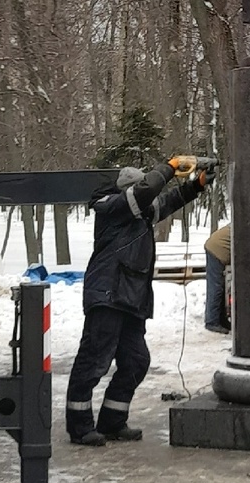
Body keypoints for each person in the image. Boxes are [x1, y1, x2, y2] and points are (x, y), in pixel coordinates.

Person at [64, 156, 209, 445]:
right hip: (108, 293)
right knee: (94, 360)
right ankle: (79, 427)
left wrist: (197, 186)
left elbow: (168, 201)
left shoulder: (140, 212)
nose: (149, 199)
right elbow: (146, 193)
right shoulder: (113, 208)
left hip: (131, 299)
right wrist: (170, 166)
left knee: (136, 361)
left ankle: (112, 422)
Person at [203, 218, 231, 334]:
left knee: (221, 287)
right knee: (216, 287)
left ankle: (221, 320)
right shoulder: (246, 227)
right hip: (216, 251)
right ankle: (212, 321)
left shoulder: (243, 223)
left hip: (215, 246)